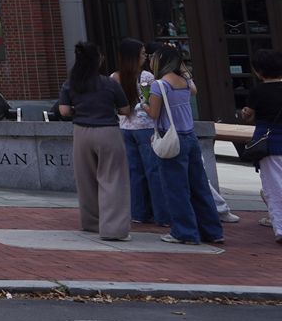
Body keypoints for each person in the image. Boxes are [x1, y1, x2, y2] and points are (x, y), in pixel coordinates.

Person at [143, 44, 224, 245]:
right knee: (199, 185)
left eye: (154, 57)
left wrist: (143, 104)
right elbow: (194, 90)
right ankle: (212, 231)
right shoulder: (186, 82)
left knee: (176, 188)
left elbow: (154, 113)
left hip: (171, 138)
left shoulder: (159, 85)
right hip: (190, 136)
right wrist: (182, 67)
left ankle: (185, 232)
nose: (151, 60)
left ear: (161, 61)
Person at [55, 41, 130, 240]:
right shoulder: (109, 83)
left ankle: (91, 222)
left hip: (81, 131)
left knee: (86, 178)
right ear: (97, 60)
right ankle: (113, 229)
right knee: (113, 179)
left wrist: (78, 110)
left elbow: (64, 111)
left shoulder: (71, 83)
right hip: (107, 131)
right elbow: (124, 110)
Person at [236, 47, 282, 245]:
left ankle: (281, 227)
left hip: (270, 144)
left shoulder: (258, 91)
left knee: (275, 187)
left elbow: (249, 116)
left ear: (258, 70)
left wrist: (245, 113)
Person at [113, 38, 157, 226]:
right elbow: (152, 103)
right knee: (153, 171)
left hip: (125, 128)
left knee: (134, 172)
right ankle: (160, 213)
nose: (145, 57)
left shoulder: (114, 77)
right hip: (145, 128)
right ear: (134, 56)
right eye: (142, 54)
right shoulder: (146, 77)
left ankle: (138, 212)